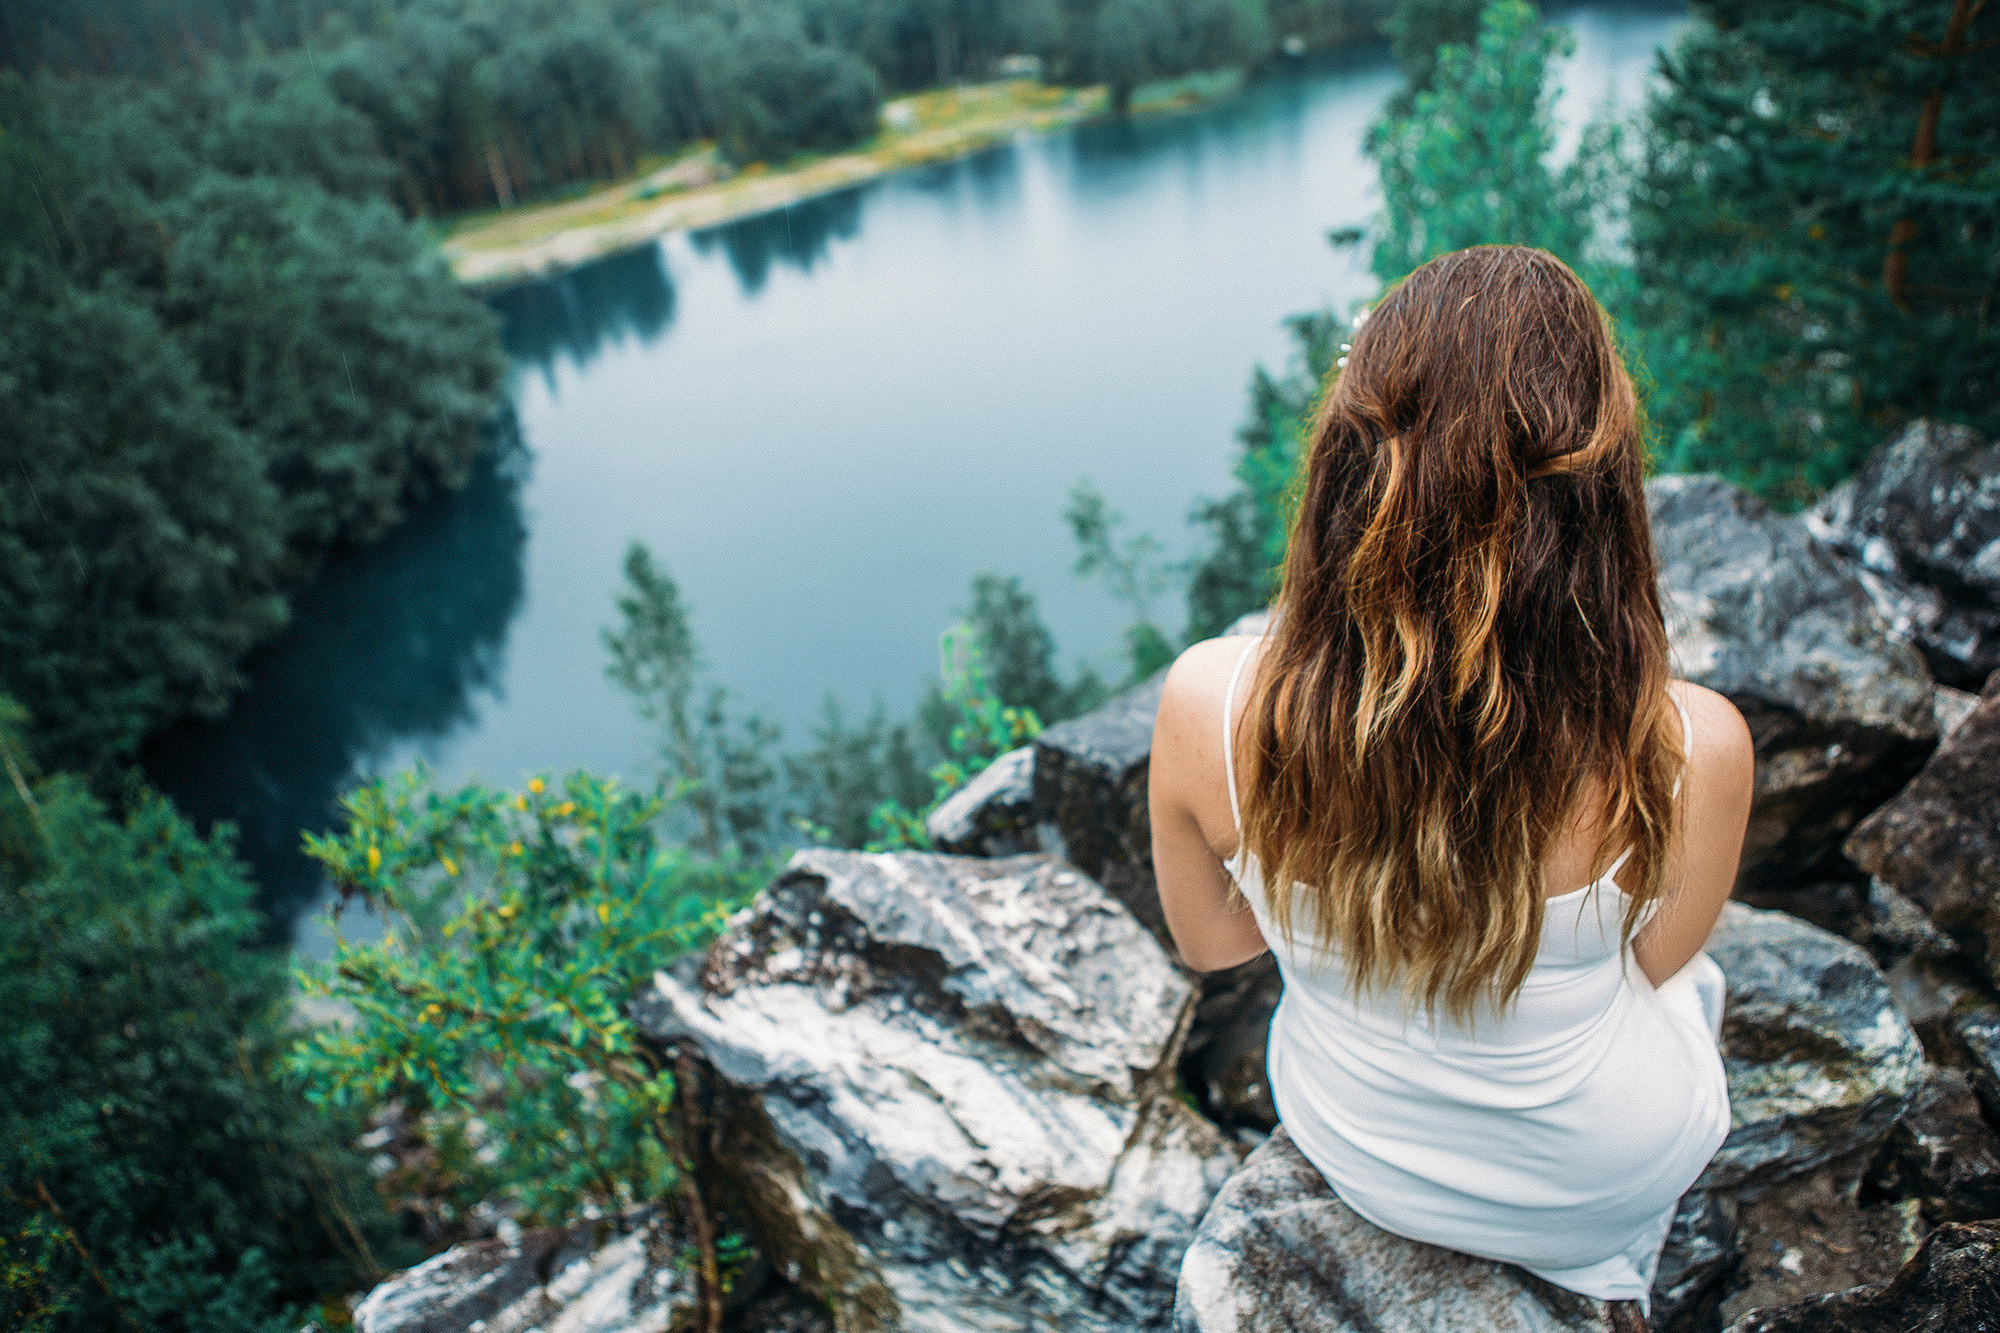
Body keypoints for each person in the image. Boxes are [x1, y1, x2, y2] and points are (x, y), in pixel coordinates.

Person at [1150, 245, 1752, 1330]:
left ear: (1346, 461)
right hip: (1592, 1183)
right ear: (1601, 496)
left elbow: (1211, 944)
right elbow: (1650, 961)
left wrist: (1356, 900)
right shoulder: (1688, 746)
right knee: (1690, 995)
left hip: (1362, 1147)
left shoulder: (1206, 701)